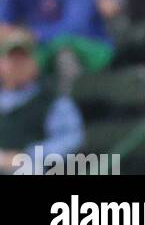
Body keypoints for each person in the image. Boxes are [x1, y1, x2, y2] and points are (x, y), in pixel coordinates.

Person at [0, 27, 84, 174]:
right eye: (12, 60)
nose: (17, 65)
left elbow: (72, 140)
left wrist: (27, 156)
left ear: (35, 63)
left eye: (23, 60)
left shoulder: (54, 102)